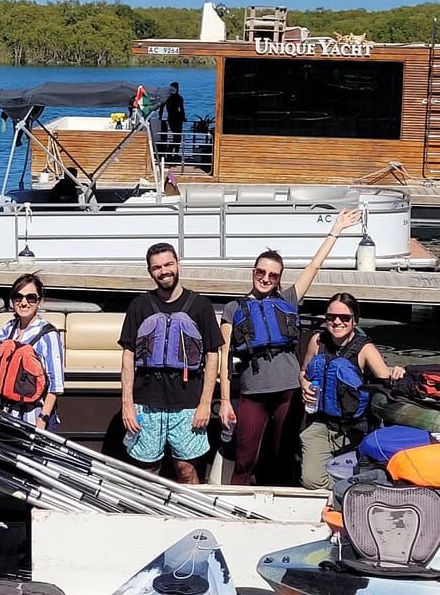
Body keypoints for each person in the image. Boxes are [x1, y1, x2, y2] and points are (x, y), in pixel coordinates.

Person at [219, 209, 362, 485]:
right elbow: (224, 358)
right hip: (253, 392)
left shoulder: (288, 300)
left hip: (288, 391)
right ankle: (234, 510)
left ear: (279, 279)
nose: (265, 278)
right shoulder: (233, 308)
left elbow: (314, 267)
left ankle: (284, 507)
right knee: (245, 458)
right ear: (253, 272)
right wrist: (225, 402)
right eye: (261, 272)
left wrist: (336, 229)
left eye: (273, 275)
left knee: (284, 456)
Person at [119, 243, 223, 484]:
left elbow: (212, 355)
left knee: (186, 468)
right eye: (157, 267)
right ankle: (146, 517)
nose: (164, 271)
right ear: (150, 272)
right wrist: (127, 405)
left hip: (187, 402)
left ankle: (193, 517)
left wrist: (206, 404)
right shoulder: (139, 306)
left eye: (168, 264)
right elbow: (128, 355)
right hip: (146, 402)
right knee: (147, 469)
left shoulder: (201, 305)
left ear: (178, 265)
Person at [299, 292, 404, 490]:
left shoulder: (365, 349)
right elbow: (304, 371)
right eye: (331, 317)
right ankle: (348, 487)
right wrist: (304, 384)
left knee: (366, 474)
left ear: (354, 320)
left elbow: (386, 381)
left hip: (355, 428)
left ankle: (350, 488)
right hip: (321, 423)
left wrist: (399, 371)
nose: (337, 322)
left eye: (344, 318)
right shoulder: (317, 341)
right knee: (311, 480)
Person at [0, 273, 64, 429]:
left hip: (34, 415)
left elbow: (56, 385)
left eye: (31, 297)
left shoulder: (48, 335)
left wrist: (42, 419)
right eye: (18, 297)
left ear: (40, 301)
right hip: (4, 413)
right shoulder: (8, 329)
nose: (24, 303)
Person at [158, 82, 186, 161]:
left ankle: (174, 153)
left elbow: (182, 108)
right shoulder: (169, 97)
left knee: (177, 137)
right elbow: (161, 107)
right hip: (172, 118)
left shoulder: (178, 98)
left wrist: (183, 117)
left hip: (177, 118)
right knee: (175, 137)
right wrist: (160, 116)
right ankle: (171, 153)